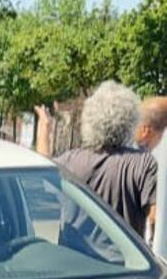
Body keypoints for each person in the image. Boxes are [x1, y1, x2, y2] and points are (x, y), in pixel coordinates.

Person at [54, 81, 156, 242]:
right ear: (131, 121)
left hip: (71, 262)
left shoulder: (69, 161)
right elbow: (154, 218)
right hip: (125, 264)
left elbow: (40, 168)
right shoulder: (143, 164)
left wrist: (44, 128)